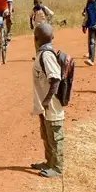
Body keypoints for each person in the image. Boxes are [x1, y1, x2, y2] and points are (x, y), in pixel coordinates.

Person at [32, 23, 65, 178]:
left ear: (35, 39)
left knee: (55, 135)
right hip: (45, 104)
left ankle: (57, 168)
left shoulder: (46, 55)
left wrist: (46, 101)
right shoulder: (42, 54)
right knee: (47, 134)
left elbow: (55, 79)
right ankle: (49, 162)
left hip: (51, 104)